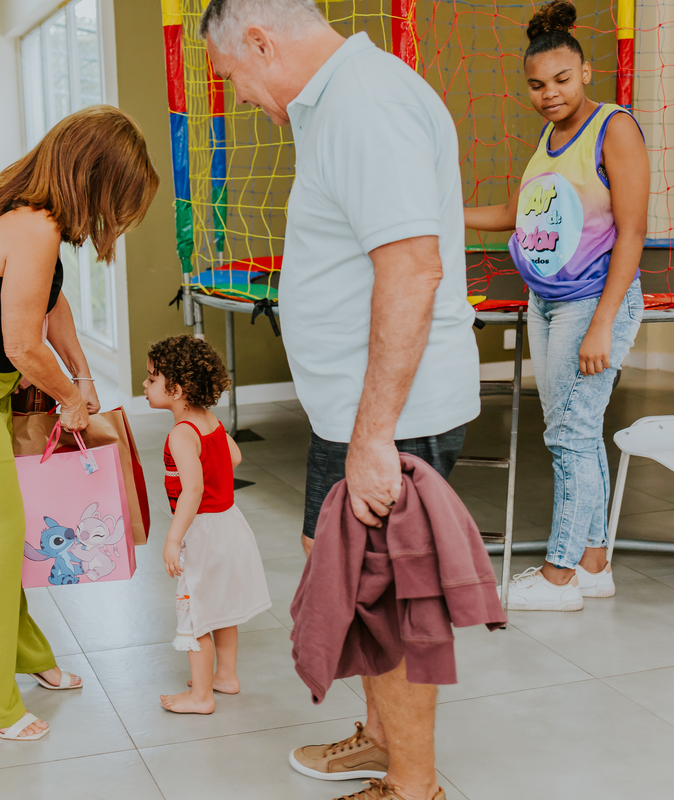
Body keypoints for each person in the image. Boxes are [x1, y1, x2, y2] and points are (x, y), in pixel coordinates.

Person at [199, 1, 480, 798]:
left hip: (392, 418)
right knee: (344, 580)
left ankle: (413, 786)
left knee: (385, 602)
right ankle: (382, 741)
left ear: (260, 41)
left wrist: (374, 437)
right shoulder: (333, 102)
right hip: (355, 412)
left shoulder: (363, 103)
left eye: (236, 80)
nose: (243, 97)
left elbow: (412, 269)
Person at [0, 105, 159, 741]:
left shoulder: (24, 212)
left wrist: (83, 375)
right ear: (93, 177)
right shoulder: (31, 226)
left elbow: (49, 300)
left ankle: (20, 656)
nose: (113, 216)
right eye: (117, 198)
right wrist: (68, 397)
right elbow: (21, 342)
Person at [465, 1, 647, 612]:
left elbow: (632, 231)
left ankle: (560, 576)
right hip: (548, 302)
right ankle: (594, 563)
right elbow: (518, 216)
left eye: (562, 80)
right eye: (537, 85)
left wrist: (602, 324)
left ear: (586, 71)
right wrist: (441, 215)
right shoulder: (547, 139)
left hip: (593, 304)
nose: (549, 94)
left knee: (568, 434)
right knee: (574, 430)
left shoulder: (613, 127)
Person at [142, 335, 272, 715]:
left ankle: (201, 695)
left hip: (202, 532)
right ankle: (225, 676)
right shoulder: (208, 421)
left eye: (151, 379)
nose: (145, 386)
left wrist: (173, 538)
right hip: (229, 523)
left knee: (196, 611)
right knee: (221, 607)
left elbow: (192, 490)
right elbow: (234, 456)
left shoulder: (181, 433)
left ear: (177, 389)